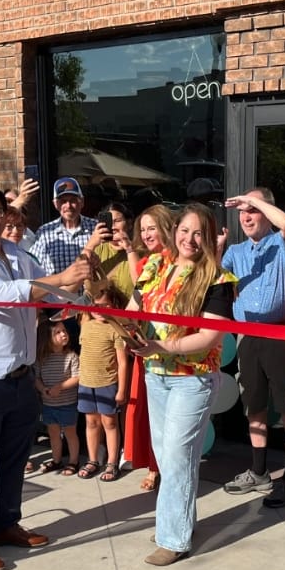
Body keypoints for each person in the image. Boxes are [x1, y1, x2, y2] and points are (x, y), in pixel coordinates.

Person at [0, 184, 92, 570]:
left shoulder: (17, 254)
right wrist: (62, 278)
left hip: (20, 376)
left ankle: (5, 525)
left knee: (14, 458)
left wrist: (80, 291)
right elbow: (0, 295)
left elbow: (48, 296)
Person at [127, 203, 237, 566]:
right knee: (168, 455)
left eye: (199, 233)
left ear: (209, 238)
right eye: (184, 231)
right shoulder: (156, 266)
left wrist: (160, 345)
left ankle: (173, 538)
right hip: (155, 375)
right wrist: (123, 324)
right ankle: (176, 523)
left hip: (192, 379)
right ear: (174, 231)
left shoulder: (217, 280)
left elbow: (209, 338)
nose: (190, 239)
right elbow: (135, 306)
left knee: (176, 455)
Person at [219, 188, 285, 506]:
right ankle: (258, 471)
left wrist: (257, 201)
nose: (247, 216)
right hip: (247, 337)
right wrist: (215, 250)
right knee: (253, 406)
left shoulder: (281, 242)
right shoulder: (236, 252)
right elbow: (214, 278)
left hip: (280, 336)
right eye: (243, 211)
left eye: (253, 210)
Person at [124, 204, 176, 492]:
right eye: (142, 229)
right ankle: (156, 468)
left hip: (177, 352)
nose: (145, 234)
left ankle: (169, 471)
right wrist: (122, 321)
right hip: (148, 348)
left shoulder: (182, 263)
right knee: (151, 415)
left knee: (171, 419)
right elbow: (135, 303)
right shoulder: (149, 264)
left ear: (167, 228)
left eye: (151, 227)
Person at [76, 282, 129, 482]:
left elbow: (122, 363)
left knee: (110, 422)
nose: (99, 310)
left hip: (107, 383)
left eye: (104, 306)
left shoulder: (116, 329)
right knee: (91, 422)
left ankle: (112, 462)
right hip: (86, 383)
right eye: (95, 305)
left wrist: (121, 390)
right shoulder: (84, 324)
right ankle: (92, 459)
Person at [34, 318, 82, 476]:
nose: (63, 334)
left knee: (70, 432)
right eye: (58, 332)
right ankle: (56, 459)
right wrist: (43, 390)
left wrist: (59, 388)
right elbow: (37, 378)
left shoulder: (71, 356)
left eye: (64, 331)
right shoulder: (42, 358)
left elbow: (77, 377)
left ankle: (73, 461)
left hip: (67, 403)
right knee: (53, 432)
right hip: (48, 404)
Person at [29, 177, 98, 276]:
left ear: (82, 202)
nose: (68, 206)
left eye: (73, 200)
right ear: (56, 204)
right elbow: (34, 268)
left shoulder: (96, 228)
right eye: (63, 201)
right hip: (56, 291)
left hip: (92, 291)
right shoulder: (45, 233)